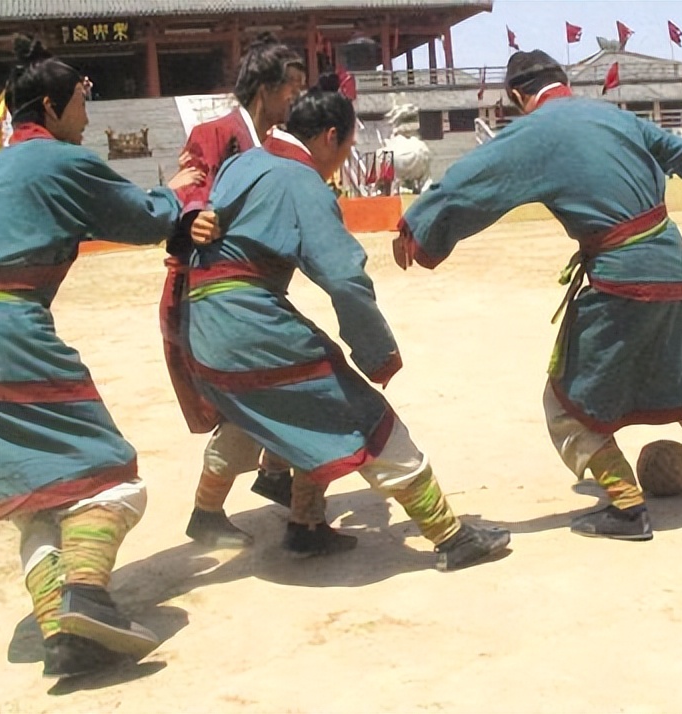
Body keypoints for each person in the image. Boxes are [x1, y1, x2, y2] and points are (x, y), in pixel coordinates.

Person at [393, 50, 682, 541]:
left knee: (567, 401)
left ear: (519, 96)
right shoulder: (616, 116)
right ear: (562, 80)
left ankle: (628, 508)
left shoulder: (533, 130)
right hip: (674, 266)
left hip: (620, 277)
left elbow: (470, 181)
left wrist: (418, 226)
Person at [0, 35, 201, 679]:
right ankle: (88, 599)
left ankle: (64, 632)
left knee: (39, 496)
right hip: (5, 332)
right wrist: (179, 190)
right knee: (112, 477)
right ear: (50, 105)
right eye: (83, 97)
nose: (87, 110)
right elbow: (141, 217)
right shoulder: (56, 161)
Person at [182, 87, 511, 569]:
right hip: (249, 323)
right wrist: (376, 352)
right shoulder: (302, 180)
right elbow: (343, 278)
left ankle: (301, 524)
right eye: (347, 146)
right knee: (363, 414)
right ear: (330, 137)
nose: (344, 159)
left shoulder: (239, 163)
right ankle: (449, 536)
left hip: (205, 329)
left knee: (262, 410)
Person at [160, 34, 309, 548]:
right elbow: (189, 187)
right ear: (266, 88)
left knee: (280, 385)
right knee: (245, 399)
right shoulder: (213, 133)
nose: (297, 98)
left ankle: (273, 473)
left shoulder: (284, 146)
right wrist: (195, 216)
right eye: (292, 87)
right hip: (210, 292)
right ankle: (209, 509)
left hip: (259, 291)